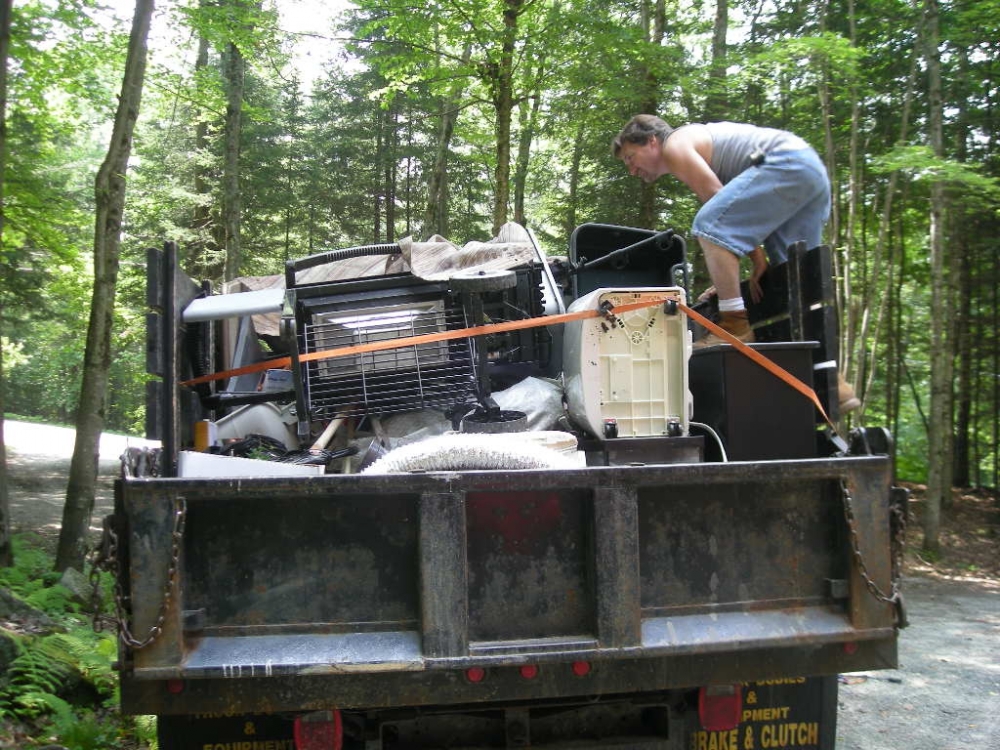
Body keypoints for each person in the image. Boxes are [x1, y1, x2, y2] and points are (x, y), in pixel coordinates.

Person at [612, 114, 859, 412]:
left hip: (784, 162)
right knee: (794, 277)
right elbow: (734, 215)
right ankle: (835, 381)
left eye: (630, 156)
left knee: (707, 226)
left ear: (652, 141)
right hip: (808, 170)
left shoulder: (675, 145)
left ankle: (734, 325)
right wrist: (742, 269)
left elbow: (716, 207)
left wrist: (754, 260)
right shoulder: (693, 147)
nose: (631, 169)